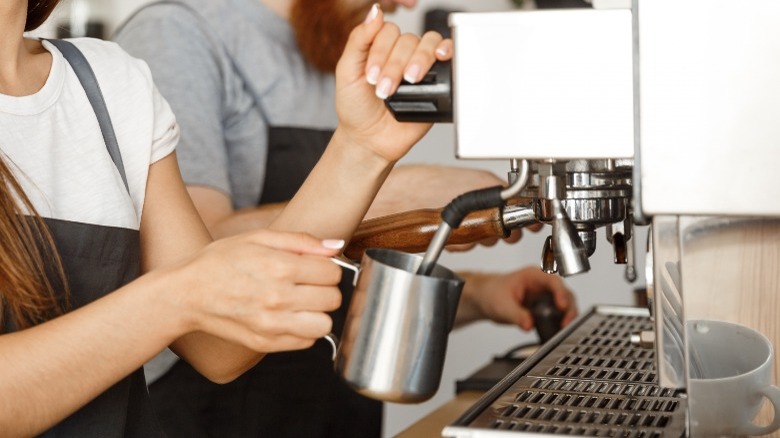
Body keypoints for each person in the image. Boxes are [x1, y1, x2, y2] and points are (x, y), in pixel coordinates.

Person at [0, 1, 480, 435]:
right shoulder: (179, 33)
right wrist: (176, 296)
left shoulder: (108, 83)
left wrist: (363, 148)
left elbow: (218, 346)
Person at [115, 1, 578, 437]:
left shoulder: (334, 50)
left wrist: (480, 295)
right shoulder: (179, 35)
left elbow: (344, 275)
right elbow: (192, 265)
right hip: (214, 411)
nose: (409, 4)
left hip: (330, 409)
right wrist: (390, 192)